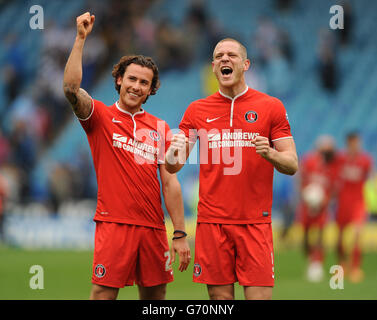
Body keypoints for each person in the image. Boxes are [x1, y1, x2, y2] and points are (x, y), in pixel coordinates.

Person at [63, 12, 191, 300]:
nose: (136, 86)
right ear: (119, 80)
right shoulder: (100, 117)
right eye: (131, 79)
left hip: (153, 229)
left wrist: (180, 234)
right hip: (114, 225)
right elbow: (71, 89)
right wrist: (81, 38)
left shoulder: (160, 128)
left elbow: (170, 183)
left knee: (156, 300)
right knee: (103, 296)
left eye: (144, 83)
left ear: (150, 90)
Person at [165, 38, 298, 300]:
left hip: (254, 223)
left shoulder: (271, 107)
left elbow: (292, 164)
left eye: (232, 55)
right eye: (219, 56)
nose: (225, 59)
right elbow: (175, 164)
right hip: (212, 224)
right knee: (220, 302)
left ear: (246, 64)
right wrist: (171, 153)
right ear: (214, 67)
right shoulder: (196, 110)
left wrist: (269, 153)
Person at [296, 135, 340, 282]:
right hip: (307, 204)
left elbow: (334, 187)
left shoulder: (333, 165)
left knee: (321, 234)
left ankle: (317, 262)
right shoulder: (309, 161)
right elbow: (300, 179)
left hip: (322, 206)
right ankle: (310, 259)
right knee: (306, 235)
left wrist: (325, 201)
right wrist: (304, 195)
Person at [335, 132, 373, 283]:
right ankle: (342, 264)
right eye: (352, 142)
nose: (355, 145)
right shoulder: (340, 159)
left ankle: (356, 267)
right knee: (340, 235)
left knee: (357, 233)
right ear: (348, 143)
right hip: (343, 201)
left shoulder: (366, 161)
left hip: (358, 202)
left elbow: (369, 179)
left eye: (357, 142)